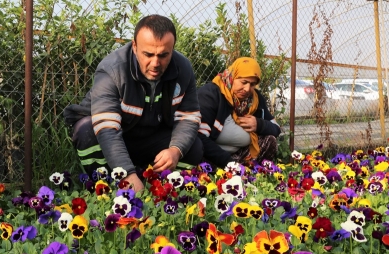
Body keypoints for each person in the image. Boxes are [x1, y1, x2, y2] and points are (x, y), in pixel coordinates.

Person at [63, 15, 203, 192]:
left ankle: (163, 188)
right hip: (115, 138)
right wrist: (127, 174)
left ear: (172, 49)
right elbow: (107, 129)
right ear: (135, 46)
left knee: (193, 146)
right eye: (148, 54)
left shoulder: (183, 68)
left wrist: (175, 150)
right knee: (85, 130)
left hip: (151, 137)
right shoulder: (112, 69)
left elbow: (189, 117)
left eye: (163, 55)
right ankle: (103, 186)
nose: (155, 63)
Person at [197, 57, 281, 169]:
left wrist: (259, 124)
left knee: (270, 141)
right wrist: (229, 163)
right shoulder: (210, 95)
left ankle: (255, 173)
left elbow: (276, 128)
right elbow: (199, 137)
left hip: (241, 155)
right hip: (213, 157)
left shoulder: (255, 99)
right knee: (197, 149)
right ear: (232, 77)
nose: (247, 89)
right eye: (244, 82)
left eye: (252, 84)